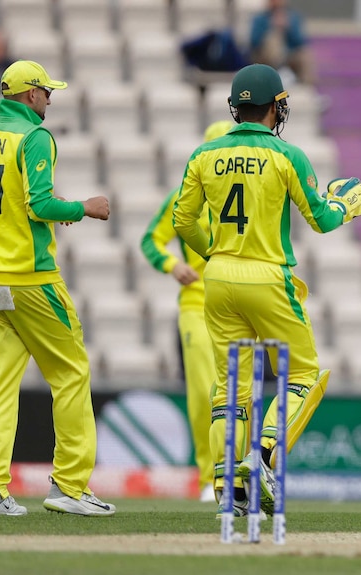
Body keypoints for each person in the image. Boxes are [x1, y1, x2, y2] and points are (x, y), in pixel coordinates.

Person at [172, 63, 361, 517]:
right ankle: (261, 457)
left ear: (235, 107)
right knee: (303, 373)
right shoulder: (287, 155)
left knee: (230, 387)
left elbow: (183, 222)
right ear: (275, 106)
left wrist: (215, 255)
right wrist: (345, 206)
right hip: (268, 276)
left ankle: (227, 486)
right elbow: (321, 220)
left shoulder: (203, 155)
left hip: (218, 278)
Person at [0, 60, 115, 516]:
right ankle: (69, 487)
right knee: (70, 375)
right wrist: (84, 207)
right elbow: (41, 204)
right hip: (32, 279)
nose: (50, 99)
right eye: (47, 92)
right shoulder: (35, 137)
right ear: (31, 95)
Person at [140, 119, 235, 504]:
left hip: (237, 300)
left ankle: (238, 474)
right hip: (197, 303)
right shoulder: (185, 194)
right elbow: (151, 240)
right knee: (203, 393)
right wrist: (171, 265)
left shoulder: (248, 191)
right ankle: (211, 477)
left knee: (237, 393)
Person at [249, 0, 316, 86]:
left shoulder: (293, 17)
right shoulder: (260, 18)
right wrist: (271, 26)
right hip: (265, 57)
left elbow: (300, 42)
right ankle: (276, 78)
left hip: (289, 55)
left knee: (304, 54)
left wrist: (288, 28)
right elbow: (254, 42)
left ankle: (308, 86)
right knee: (274, 40)